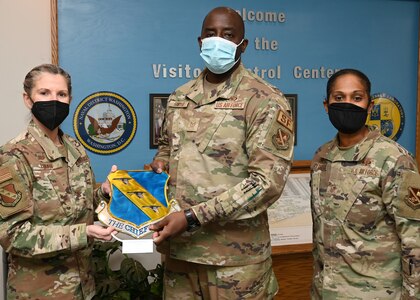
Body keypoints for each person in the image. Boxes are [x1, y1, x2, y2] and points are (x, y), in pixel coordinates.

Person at [148, 6, 294, 299]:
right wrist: (160, 164)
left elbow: (266, 183)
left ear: (243, 44)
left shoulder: (265, 100)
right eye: (211, 34)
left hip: (235, 260)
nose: (218, 41)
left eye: (228, 35)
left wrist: (191, 217)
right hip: (181, 254)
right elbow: (167, 147)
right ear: (200, 41)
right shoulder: (180, 96)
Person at [0, 64, 116, 300]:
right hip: (39, 292)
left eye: (61, 94)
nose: (54, 100)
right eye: (44, 93)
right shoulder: (13, 156)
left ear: (70, 99)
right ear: (28, 99)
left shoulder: (75, 149)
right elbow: (13, 236)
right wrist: (83, 233)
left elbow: (82, 203)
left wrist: (103, 192)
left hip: (83, 287)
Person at [310, 68, 420, 299]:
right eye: (339, 98)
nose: (347, 104)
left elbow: (415, 241)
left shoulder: (393, 159)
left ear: (370, 107)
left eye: (357, 98)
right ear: (326, 106)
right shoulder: (321, 157)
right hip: (325, 291)